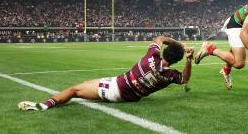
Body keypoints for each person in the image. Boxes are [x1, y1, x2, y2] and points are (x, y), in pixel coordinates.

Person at [18, 36, 192, 110]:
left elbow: (160, 38)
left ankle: (43, 106)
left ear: (165, 51)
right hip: (129, 94)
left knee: (74, 90)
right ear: (176, 60)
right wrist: (189, 58)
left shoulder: (151, 56)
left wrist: (180, 44)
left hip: (116, 89)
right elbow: (184, 79)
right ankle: (82, 91)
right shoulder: (170, 76)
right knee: (86, 83)